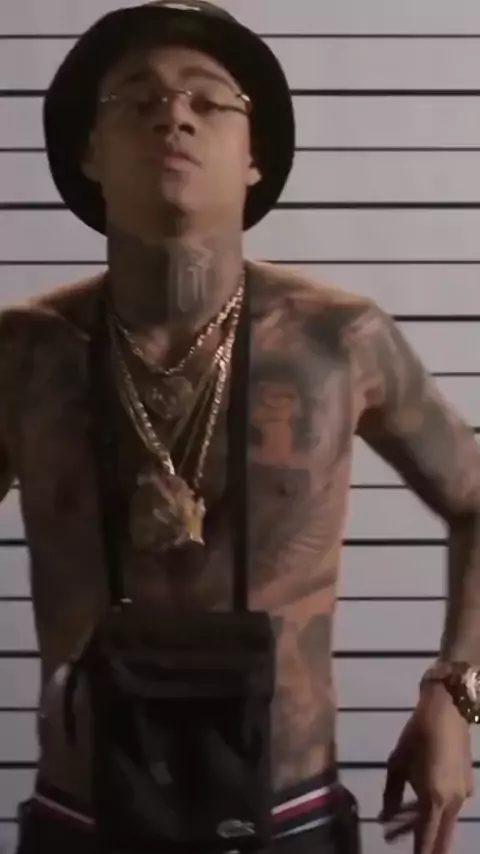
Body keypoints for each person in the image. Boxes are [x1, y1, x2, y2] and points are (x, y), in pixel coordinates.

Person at [3, 2, 479, 852]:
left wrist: (456, 692)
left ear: (254, 155)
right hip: (86, 820)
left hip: (288, 817)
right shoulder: (25, 352)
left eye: (208, 99)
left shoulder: (339, 338)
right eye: (137, 99)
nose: (174, 115)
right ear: (88, 151)